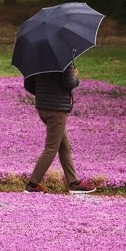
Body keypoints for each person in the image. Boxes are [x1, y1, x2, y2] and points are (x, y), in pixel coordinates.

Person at [22, 64, 96, 194]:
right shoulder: (64, 60)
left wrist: (44, 94)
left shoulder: (37, 59)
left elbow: (28, 84)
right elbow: (68, 84)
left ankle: (73, 182)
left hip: (43, 108)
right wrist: (74, 76)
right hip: (56, 110)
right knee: (51, 148)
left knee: (64, 145)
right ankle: (32, 185)